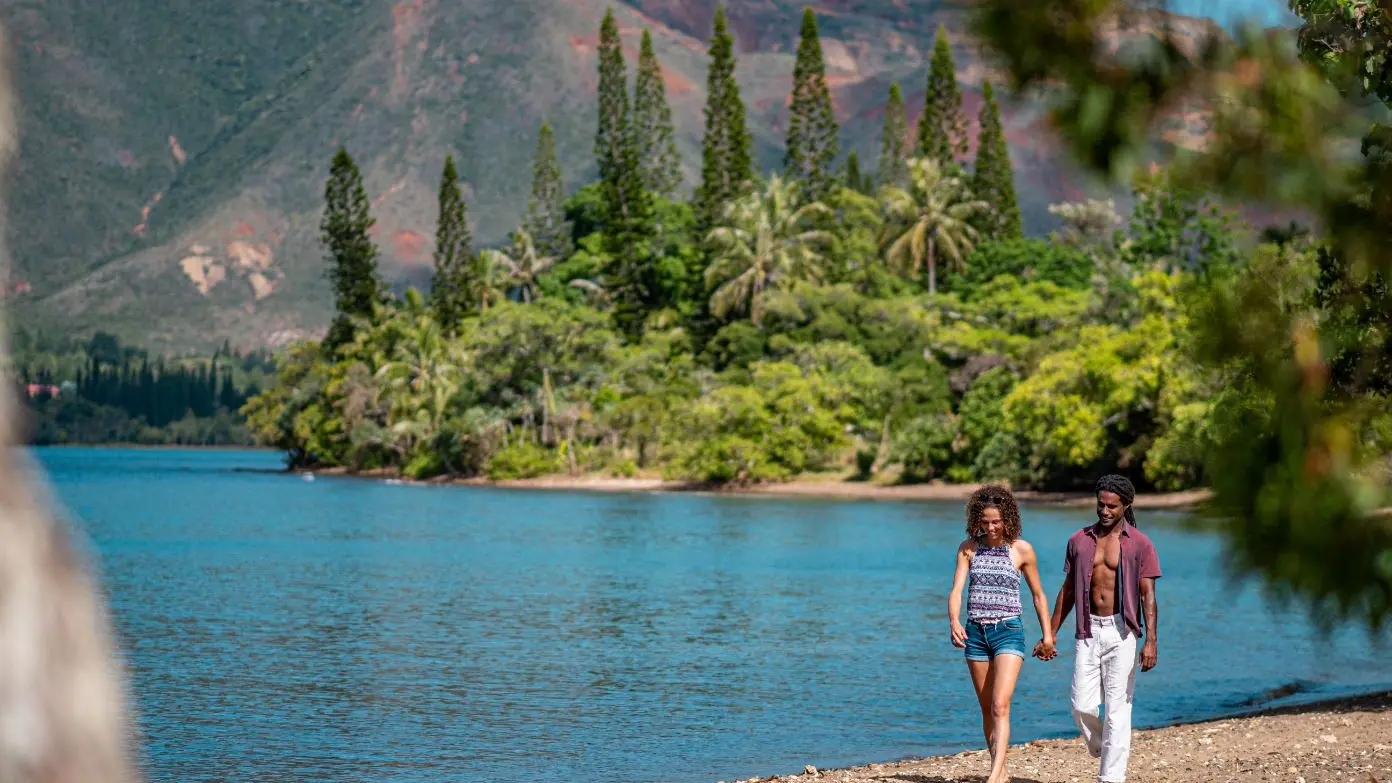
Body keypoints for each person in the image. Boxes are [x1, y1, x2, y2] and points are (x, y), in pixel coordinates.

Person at [1033, 474, 1162, 783]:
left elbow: (1148, 596)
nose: (1104, 511)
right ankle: (1107, 745)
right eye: (1100, 504)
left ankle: (1110, 778)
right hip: (1088, 629)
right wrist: (1050, 634)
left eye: (1112, 506)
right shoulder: (1079, 540)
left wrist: (1151, 642)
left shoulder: (1141, 544)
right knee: (1081, 704)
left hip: (1123, 631)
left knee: (1118, 710)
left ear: (1126, 505)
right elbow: (1067, 590)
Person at [948, 485, 1054, 783]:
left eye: (996, 521)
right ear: (976, 520)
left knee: (1000, 704)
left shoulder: (1021, 549)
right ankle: (1001, 770)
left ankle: (993, 777)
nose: (991, 527)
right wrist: (954, 620)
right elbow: (956, 589)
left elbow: (1038, 595)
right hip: (975, 633)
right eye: (985, 522)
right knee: (986, 709)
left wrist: (1048, 636)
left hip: (1008, 631)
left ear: (1007, 518)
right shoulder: (968, 547)